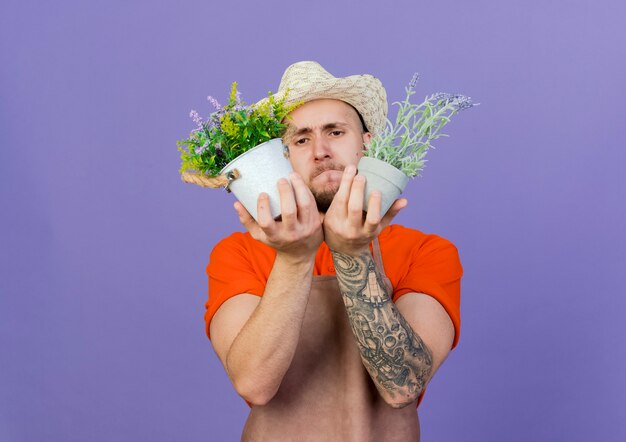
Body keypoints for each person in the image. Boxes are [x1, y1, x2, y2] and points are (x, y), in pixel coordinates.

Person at [204, 61, 463, 441]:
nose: (321, 151)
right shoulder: (238, 252)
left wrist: (352, 252)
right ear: (283, 157)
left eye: (336, 132)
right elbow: (254, 384)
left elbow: (402, 387)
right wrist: (294, 259)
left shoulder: (426, 251)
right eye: (301, 139)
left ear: (367, 144)